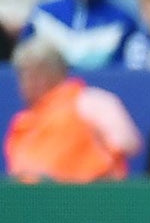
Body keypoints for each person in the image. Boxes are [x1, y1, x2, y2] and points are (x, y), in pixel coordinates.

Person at [5, 36, 142, 182]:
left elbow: (129, 144)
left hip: (91, 198)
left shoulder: (92, 101)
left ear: (57, 72)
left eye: (37, 73)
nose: (28, 82)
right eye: (23, 74)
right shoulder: (22, 123)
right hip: (32, 201)